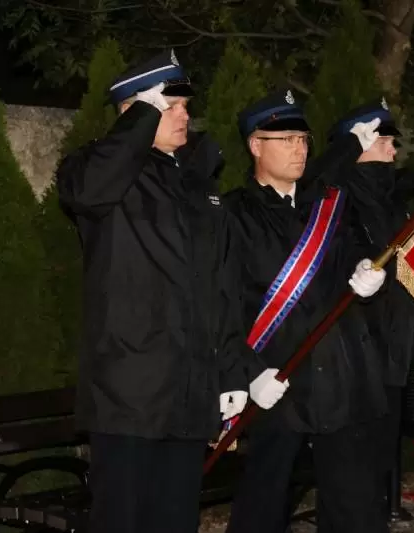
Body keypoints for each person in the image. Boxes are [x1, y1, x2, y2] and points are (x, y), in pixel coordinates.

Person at [57, 49, 277, 533]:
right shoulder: (98, 170)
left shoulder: (196, 185)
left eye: (184, 105)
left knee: (176, 520)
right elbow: (86, 192)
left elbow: (219, 289)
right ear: (133, 110)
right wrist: (140, 118)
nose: (184, 115)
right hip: (129, 397)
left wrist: (232, 373)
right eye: (169, 106)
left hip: (189, 392)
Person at [224, 89, 390, 533]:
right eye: (286, 139)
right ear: (255, 145)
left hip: (340, 380)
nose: (299, 149)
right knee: (262, 509)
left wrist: (367, 274)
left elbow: (358, 254)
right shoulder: (232, 216)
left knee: (355, 511)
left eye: (303, 139)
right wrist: (246, 373)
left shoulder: (328, 207)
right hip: (276, 384)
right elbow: (220, 305)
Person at [327, 99, 414, 519]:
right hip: (351, 361)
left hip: (391, 355)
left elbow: (411, 282)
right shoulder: (336, 199)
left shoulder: (393, 203)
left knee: (377, 474)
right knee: (350, 483)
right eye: (384, 142)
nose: (394, 150)